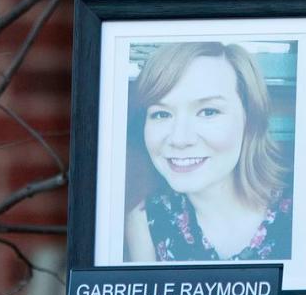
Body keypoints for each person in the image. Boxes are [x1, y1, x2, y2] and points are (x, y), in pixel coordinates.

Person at [124, 42, 292, 262]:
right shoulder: (145, 219)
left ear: (250, 118)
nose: (179, 139)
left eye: (208, 111)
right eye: (161, 114)